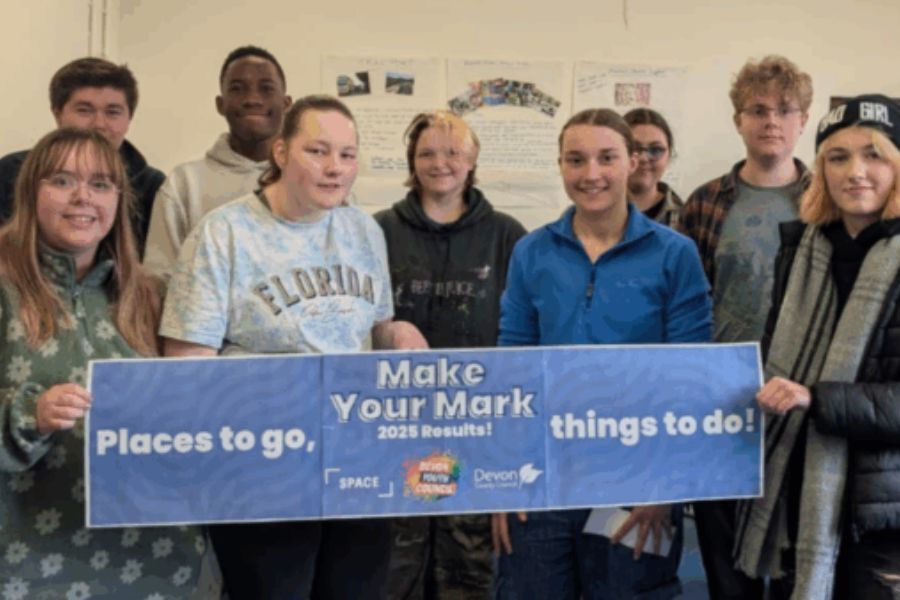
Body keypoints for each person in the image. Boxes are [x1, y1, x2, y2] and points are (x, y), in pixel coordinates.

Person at [159, 94, 427, 599]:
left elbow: (373, 326)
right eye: (318, 151)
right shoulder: (225, 234)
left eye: (347, 155)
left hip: (357, 464)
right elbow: (186, 361)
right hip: (264, 472)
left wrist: (398, 333)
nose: (335, 169)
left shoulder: (363, 229)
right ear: (281, 153)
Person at [492, 108, 712, 599]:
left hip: (638, 479)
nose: (591, 174)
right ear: (561, 166)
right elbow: (513, 371)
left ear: (632, 162)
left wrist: (664, 489)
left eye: (606, 158)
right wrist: (503, 481)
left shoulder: (675, 254)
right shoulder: (532, 252)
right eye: (576, 160)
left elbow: (690, 379)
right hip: (543, 476)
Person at [0, 128, 202, 596]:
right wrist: (30, 414)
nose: (82, 198)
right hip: (27, 564)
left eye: (100, 184)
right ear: (30, 192)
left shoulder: (151, 296)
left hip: (153, 564)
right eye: (62, 180)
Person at [734, 95, 900, 600]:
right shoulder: (802, 252)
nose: (856, 172)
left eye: (874, 155)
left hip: (883, 518)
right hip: (798, 496)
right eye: (838, 156)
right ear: (820, 170)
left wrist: (817, 399)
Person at [375, 110, 526, 599]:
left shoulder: (507, 236)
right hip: (391, 430)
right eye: (426, 153)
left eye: (453, 151)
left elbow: (523, 339)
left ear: (473, 159)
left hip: (477, 429)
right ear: (411, 162)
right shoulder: (375, 232)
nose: (440, 163)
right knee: (392, 571)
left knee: (469, 574)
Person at [679, 54, 813, 600]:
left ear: (803, 119)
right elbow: (685, 305)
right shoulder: (706, 202)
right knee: (723, 554)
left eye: (785, 109)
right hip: (721, 399)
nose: (771, 121)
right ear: (737, 120)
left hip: (799, 398)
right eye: (757, 110)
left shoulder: (825, 202)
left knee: (790, 555)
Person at [143, 45, 291, 279]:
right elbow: (159, 279)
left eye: (266, 88)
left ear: (286, 103)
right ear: (220, 105)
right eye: (238, 89)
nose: (252, 99)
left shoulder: (312, 181)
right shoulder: (183, 184)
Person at [0, 57, 164, 256]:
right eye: (84, 110)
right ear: (57, 113)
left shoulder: (153, 186)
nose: (99, 124)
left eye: (113, 112)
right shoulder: (11, 171)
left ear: (129, 119)